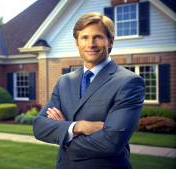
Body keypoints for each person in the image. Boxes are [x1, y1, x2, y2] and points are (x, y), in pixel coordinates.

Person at [32, 12, 145, 169]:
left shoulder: (128, 82)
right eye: (84, 37)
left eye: (97, 37)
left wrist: (64, 135)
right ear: (77, 43)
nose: (90, 44)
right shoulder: (64, 81)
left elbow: (111, 143)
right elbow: (39, 126)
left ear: (110, 41)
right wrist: (79, 127)